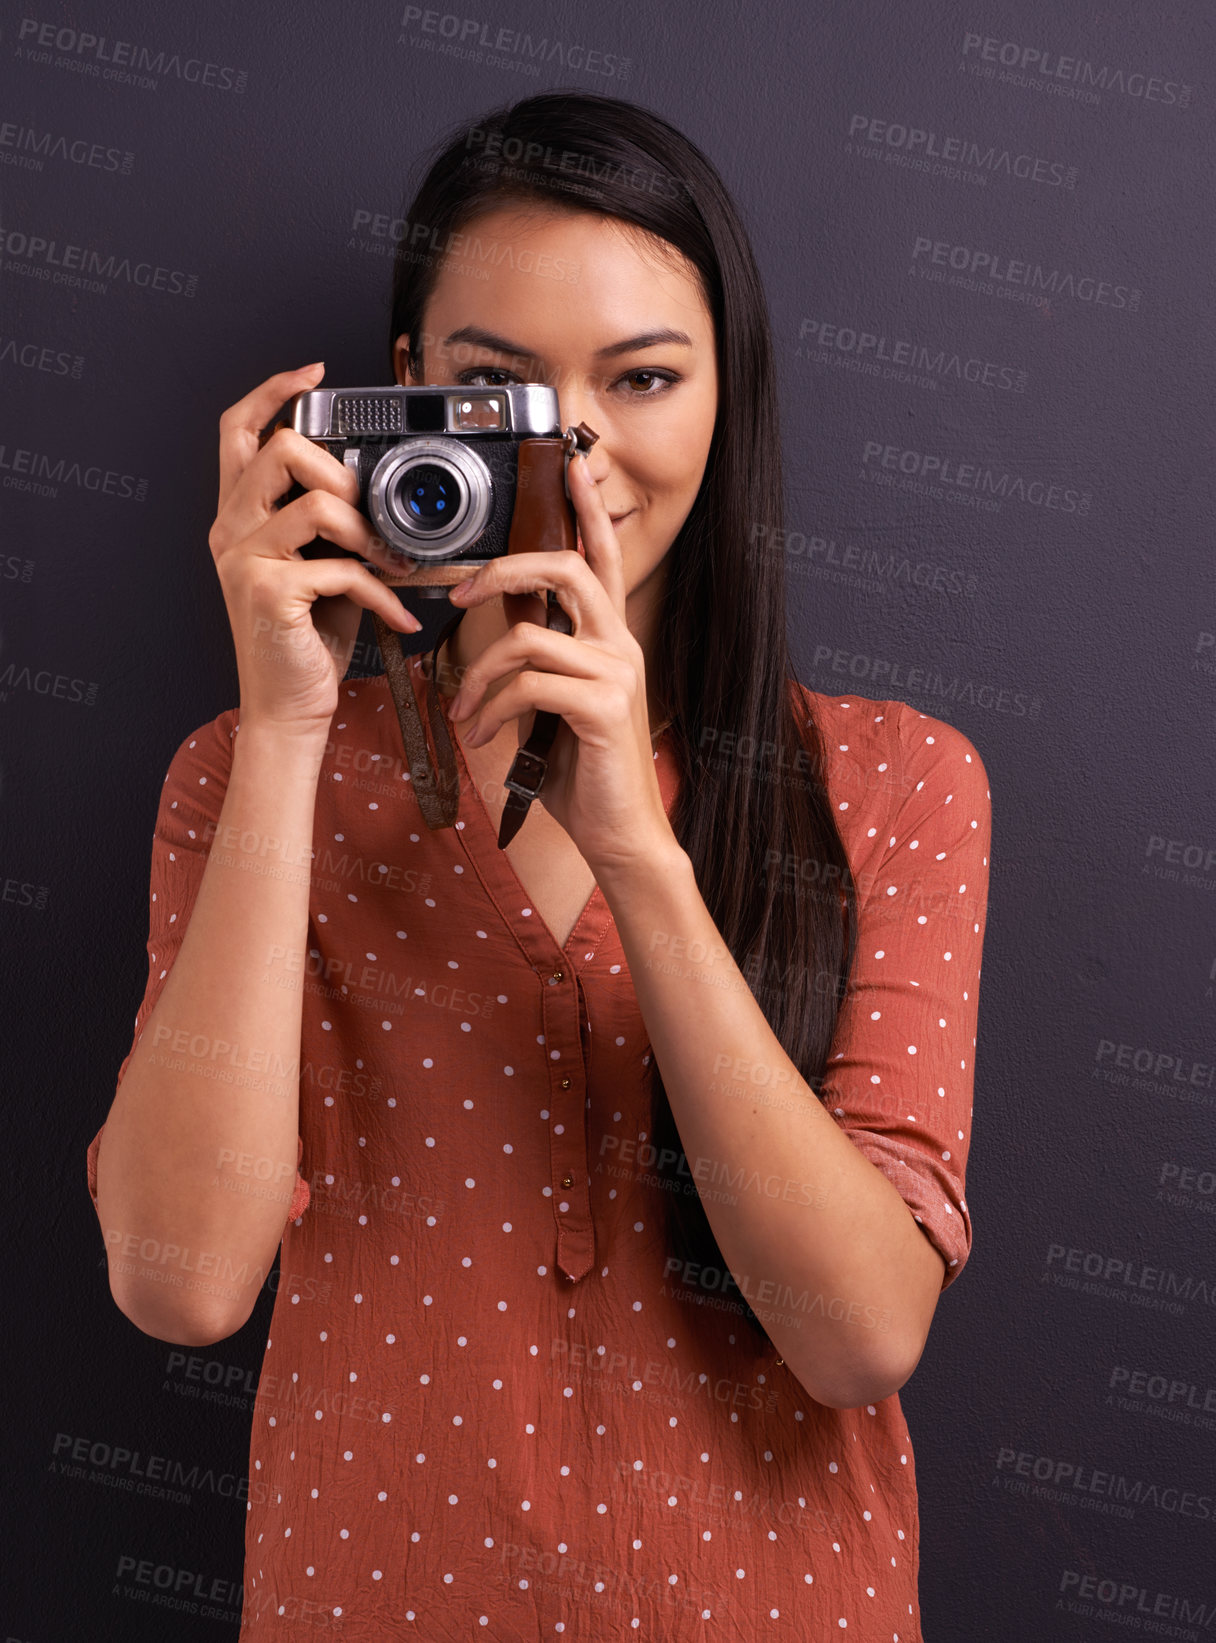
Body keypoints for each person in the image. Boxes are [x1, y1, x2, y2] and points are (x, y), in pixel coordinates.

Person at [86, 90, 992, 1640]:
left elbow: (859, 1338)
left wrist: (641, 854)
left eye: (643, 378)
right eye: (498, 387)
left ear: (730, 395)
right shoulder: (239, 779)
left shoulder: (895, 783)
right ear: (402, 403)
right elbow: (184, 1281)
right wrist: (291, 731)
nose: (573, 447)